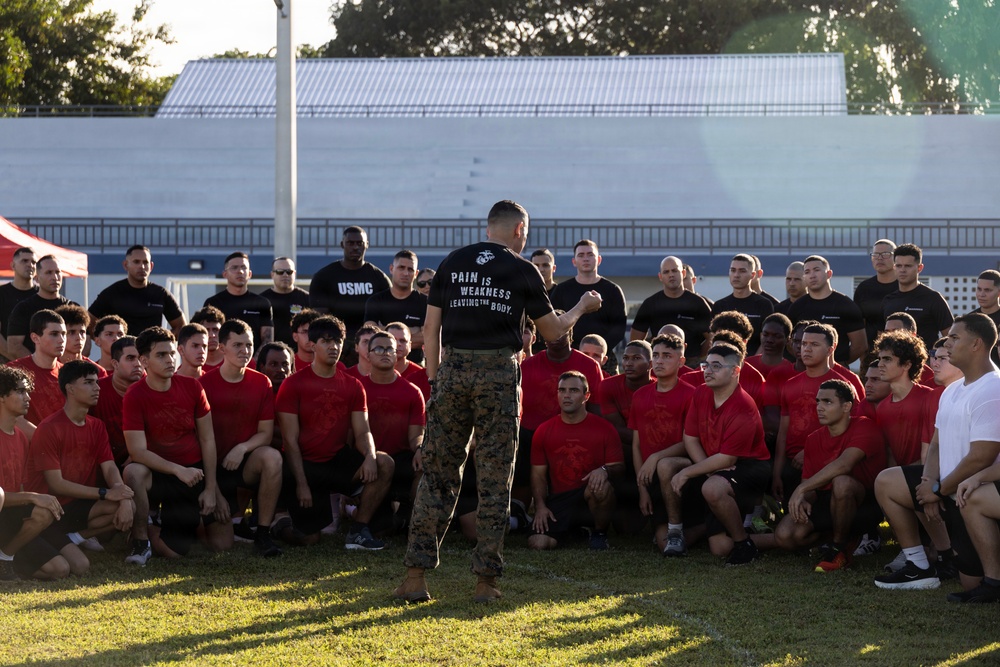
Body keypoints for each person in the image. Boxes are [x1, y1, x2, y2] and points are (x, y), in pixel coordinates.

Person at [394, 199, 602, 604]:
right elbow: (552, 331)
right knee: (494, 480)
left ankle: (415, 577)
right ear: (519, 230)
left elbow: (431, 329)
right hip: (498, 374)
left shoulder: (453, 262)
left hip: (452, 371)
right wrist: (582, 306)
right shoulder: (521, 269)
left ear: (489, 227)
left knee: (437, 476)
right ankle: (485, 583)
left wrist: (435, 380)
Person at [873, 313, 1000, 592]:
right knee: (887, 481)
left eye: (955, 338)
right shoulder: (952, 390)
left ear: (976, 344)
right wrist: (928, 482)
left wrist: (939, 490)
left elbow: (981, 456)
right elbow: (937, 443)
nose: (947, 344)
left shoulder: (993, 387)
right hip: (947, 488)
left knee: (971, 584)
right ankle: (919, 566)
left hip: (973, 492)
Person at [275, 315, 394, 548]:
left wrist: (370, 456)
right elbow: (289, 440)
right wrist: (301, 483)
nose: (334, 346)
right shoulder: (293, 384)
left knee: (384, 463)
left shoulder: (353, 385)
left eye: (338, 341)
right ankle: (278, 524)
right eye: (326, 341)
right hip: (305, 465)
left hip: (336, 461)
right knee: (309, 539)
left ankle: (358, 530)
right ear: (312, 345)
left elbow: (362, 432)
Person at [122, 327, 220, 564]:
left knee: (208, 545)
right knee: (133, 471)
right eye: (161, 355)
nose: (169, 360)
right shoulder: (134, 395)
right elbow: (137, 451)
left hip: (192, 473)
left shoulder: (193, 387)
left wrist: (210, 488)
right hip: (158, 472)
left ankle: (158, 522)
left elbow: (207, 439)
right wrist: (177, 470)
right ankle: (140, 541)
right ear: (144, 361)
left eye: (171, 353)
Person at [26, 360, 136, 571]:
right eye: (88, 382)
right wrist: (106, 493)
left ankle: (74, 538)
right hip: (50, 511)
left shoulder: (97, 426)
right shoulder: (49, 428)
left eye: (97, 382)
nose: (97, 388)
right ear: (70, 389)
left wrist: (122, 495)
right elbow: (56, 484)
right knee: (80, 566)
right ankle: (50, 542)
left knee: (128, 506)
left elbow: (110, 468)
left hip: (78, 506)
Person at [670, 343, 771, 565]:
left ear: (735, 371)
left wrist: (688, 472)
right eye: (706, 365)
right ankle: (698, 529)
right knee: (720, 548)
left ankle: (745, 543)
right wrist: (707, 469)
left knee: (712, 487)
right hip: (715, 463)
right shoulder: (701, 392)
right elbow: (690, 438)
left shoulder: (743, 405)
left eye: (716, 366)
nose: (707, 371)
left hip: (749, 466)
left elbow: (729, 459)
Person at [770, 379, 886, 571]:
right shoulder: (813, 439)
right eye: (818, 401)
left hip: (864, 503)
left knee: (842, 483)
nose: (819, 407)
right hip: (827, 501)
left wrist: (801, 489)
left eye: (828, 402)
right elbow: (808, 484)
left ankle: (839, 548)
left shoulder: (865, 426)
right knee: (785, 536)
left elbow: (845, 464)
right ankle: (838, 539)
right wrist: (804, 499)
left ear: (847, 406)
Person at [198, 319, 283, 557]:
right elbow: (198, 442)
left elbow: (265, 434)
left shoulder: (261, 382)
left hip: (242, 464)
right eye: (237, 345)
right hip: (209, 468)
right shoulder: (203, 384)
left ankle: (263, 533)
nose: (244, 351)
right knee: (222, 545)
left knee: (272, 458)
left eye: (248, 345)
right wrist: (214, 490)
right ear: (222, 348)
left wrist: (242, 448)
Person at [774, 323, 866, 506]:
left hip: (828, 465)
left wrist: (810, 451)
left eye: (814, 345)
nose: (806, 349)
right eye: (804, 344)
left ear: (830, 349)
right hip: (793, 465)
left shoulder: (843, 385)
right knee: (793, 514)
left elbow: (853, 431)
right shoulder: (790, 384)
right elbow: (783, 432)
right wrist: (777, 473)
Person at [528, 371, 622, 551]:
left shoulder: (604, 428)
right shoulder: (543, 430)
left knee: (599, 487)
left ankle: (599, 533)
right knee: (538, 543)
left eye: (573, 390)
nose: (567, 395)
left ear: (586, 396)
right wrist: (540, 507)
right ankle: (578, 532)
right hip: (560, 499)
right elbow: (538, 475)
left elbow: (618, 467)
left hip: (590, 496)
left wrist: (603, 470)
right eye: (562, 390)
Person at [0, 365, 76, 581]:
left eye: (27, 391)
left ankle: (5, 558)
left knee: (60, 569)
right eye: (20, 391)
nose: (27, 398)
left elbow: (19, 489)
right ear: (1, 396)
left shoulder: (21, 437)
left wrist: (33, 500)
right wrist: (34, 497)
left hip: (10, 517)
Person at [628, 334, 697, 554]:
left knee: (665, 464)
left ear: (681, 361)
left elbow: (691, 442)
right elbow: (636, 445)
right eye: (656, 355)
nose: (659, 361)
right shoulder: (640, 395)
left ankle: (677, 531)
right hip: (652, 477)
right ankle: (699, 528)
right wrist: (642, 489)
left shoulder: (691, 394)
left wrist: (656, 457)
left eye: (667, 356)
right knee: (660, 542)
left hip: (683, 472)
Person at [359, 330, 426, 530]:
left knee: (427, 461)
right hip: (368, 459)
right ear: (368, 354)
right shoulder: (357, 388)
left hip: (401, 458)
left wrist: (420, 448)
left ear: (397, 354)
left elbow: (416, 435)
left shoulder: (412, 392)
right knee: (382, 528)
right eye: (379, 349)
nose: (385, 353)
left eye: (390, 349)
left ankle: (414, 522)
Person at [308, 226, 391, 366]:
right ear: (342, 244)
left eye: (359, 243)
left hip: (372, 349)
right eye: (350, 243)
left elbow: (388, 319)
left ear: (367, 245)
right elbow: (320, 321)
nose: (355, 247)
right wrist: (341, 345)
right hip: (336, 349)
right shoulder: (323, 277)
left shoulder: (379, 278)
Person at [550, 239, 627, 374]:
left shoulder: (613, 290)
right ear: (574, 261)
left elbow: (619, 328)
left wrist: (599, 350)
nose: (585, 258)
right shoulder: (561, 290)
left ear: (599, 259)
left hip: (603, 358)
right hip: (570, 356)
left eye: (590, 255)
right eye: (581, 255)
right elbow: (554, 324)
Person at [88, 245, 186, 337]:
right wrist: (104, 342)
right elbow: (89, 322)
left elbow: (181, 327)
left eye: (145, 262)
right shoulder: (112, 293)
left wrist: (162, 340)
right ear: (125, 265)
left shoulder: (161, 294)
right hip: (121, 349)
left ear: (151, 266)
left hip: (150, 349)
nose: (142, 266)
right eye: (136, 262)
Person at [630, 256, 712, 364]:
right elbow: (635, 342)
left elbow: (713, 336)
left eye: (674, 271)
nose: (671, 275)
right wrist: (653, 356)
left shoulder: (698, 303)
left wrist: (698, 355)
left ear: (683, 273)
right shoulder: (650, 304)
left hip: (690, 364)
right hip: (660, 364)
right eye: (666, 272)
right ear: (660, 276)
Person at [787, 255, 867, 365]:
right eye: (807, 272)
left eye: (816, 270)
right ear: (804, 277)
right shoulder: (797, 307)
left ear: (829, 274)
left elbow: (860, 345)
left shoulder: (846, 305)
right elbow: (788, 343)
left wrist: (838, 364)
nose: (812, 276)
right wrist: (806, 362)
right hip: (806, 370)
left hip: (836, 369)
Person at [881, 243, 954, 350]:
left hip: (925, 359)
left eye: (908, 266)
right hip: (893, 359)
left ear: (920, 268)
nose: (902, 270)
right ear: (894, 267)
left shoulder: (933, 298)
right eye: (899, 266)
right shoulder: (888, 300)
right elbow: (882, 338)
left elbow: (950, 337)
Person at [363, 249, 427, 363]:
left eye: (410, 269)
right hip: (381, 364)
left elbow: (427, 337)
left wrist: (384, 331)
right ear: (392, 269)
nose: (405, 273)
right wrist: (412, 331)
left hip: (415, 365)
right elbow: (370, 334)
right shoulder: (376, 301)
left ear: (416, 274)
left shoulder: (425, 302)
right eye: (401, 268)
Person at [9, 309, 66, 432]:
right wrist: (46, 440)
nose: (61, 340)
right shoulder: (14, 371)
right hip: (32, 442)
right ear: (35, 338)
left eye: (64, 334)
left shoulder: (68, 373)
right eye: (54, 334)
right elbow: (12, 417)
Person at [90, 336, 143, 469]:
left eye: (141, 358)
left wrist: (138, 454)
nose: (138, 364)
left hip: (140, 463)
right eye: (130, 358)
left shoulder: (152, 390)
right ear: (115, 364)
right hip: (99, 465)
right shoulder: (96, 390)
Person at [6, 255, 74, 358]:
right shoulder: (24, 308)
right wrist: (39, 363)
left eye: (57, 272)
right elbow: (14, 347)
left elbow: (85, 345)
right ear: (37, 278)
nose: (55, 277)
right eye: (49, 272)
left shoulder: (72, 308)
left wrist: (63, 365)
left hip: (68, 367)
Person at [203, 252, 274, 348]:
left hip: (254, 357)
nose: (240, 271)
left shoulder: (262, 303)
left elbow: (267, 341)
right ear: (225, 274)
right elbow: (207, 337)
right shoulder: (212, 303)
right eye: (234, 268)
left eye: (244, 267)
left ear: (250, 274)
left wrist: (251, 358)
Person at [711, 254, 774, 354]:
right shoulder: (720, 305)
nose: (736, 275)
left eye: (742, 271)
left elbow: (766, 339)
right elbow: (713, 338)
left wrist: (753, 361)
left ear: (753, 275)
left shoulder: (764, 304)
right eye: (733, 270)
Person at [853, 239, 898, 354]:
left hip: (901, 352)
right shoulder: (864, 288)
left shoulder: (904, 286)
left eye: (885, 254)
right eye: (875, 254)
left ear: (896, 257)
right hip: (871, 354)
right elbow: (859, 326)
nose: (880, 258)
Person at [259, 256, 309, 347]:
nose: (285, 275)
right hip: (271, 353)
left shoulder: (307, 299)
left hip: (299, 353)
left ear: (294, 274)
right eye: (280, 272)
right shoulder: (261, 300)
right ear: (272, 274)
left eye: (289, 272)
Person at [0, 247, 37, 361]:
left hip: (41, 362)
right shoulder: (2, 294)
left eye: (33, 262)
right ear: (13, 265)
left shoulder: (43, 294)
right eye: (24, 261)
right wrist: (19, 360)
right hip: (6, 361)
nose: (30, 265)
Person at [54, 304, 105, 377]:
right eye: (72, 332)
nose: (79, 337)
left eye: (82, 332)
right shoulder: (49, 368)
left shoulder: (98, 371)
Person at [386, 322, 431, 400]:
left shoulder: (420, 376)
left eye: (403, 340)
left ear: (410, 346)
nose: (398, 344)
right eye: (393, 340)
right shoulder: (371, 372)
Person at [969, 269, 1000, 365]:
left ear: (999, 293)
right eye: (979, 289)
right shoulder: (969, 320)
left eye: (987, 290)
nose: (981, 294)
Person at [191, 306, 226, 370]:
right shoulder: (189, 367)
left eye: (215, 330)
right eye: (206, 330)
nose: (212, 335)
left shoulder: (236, 361)